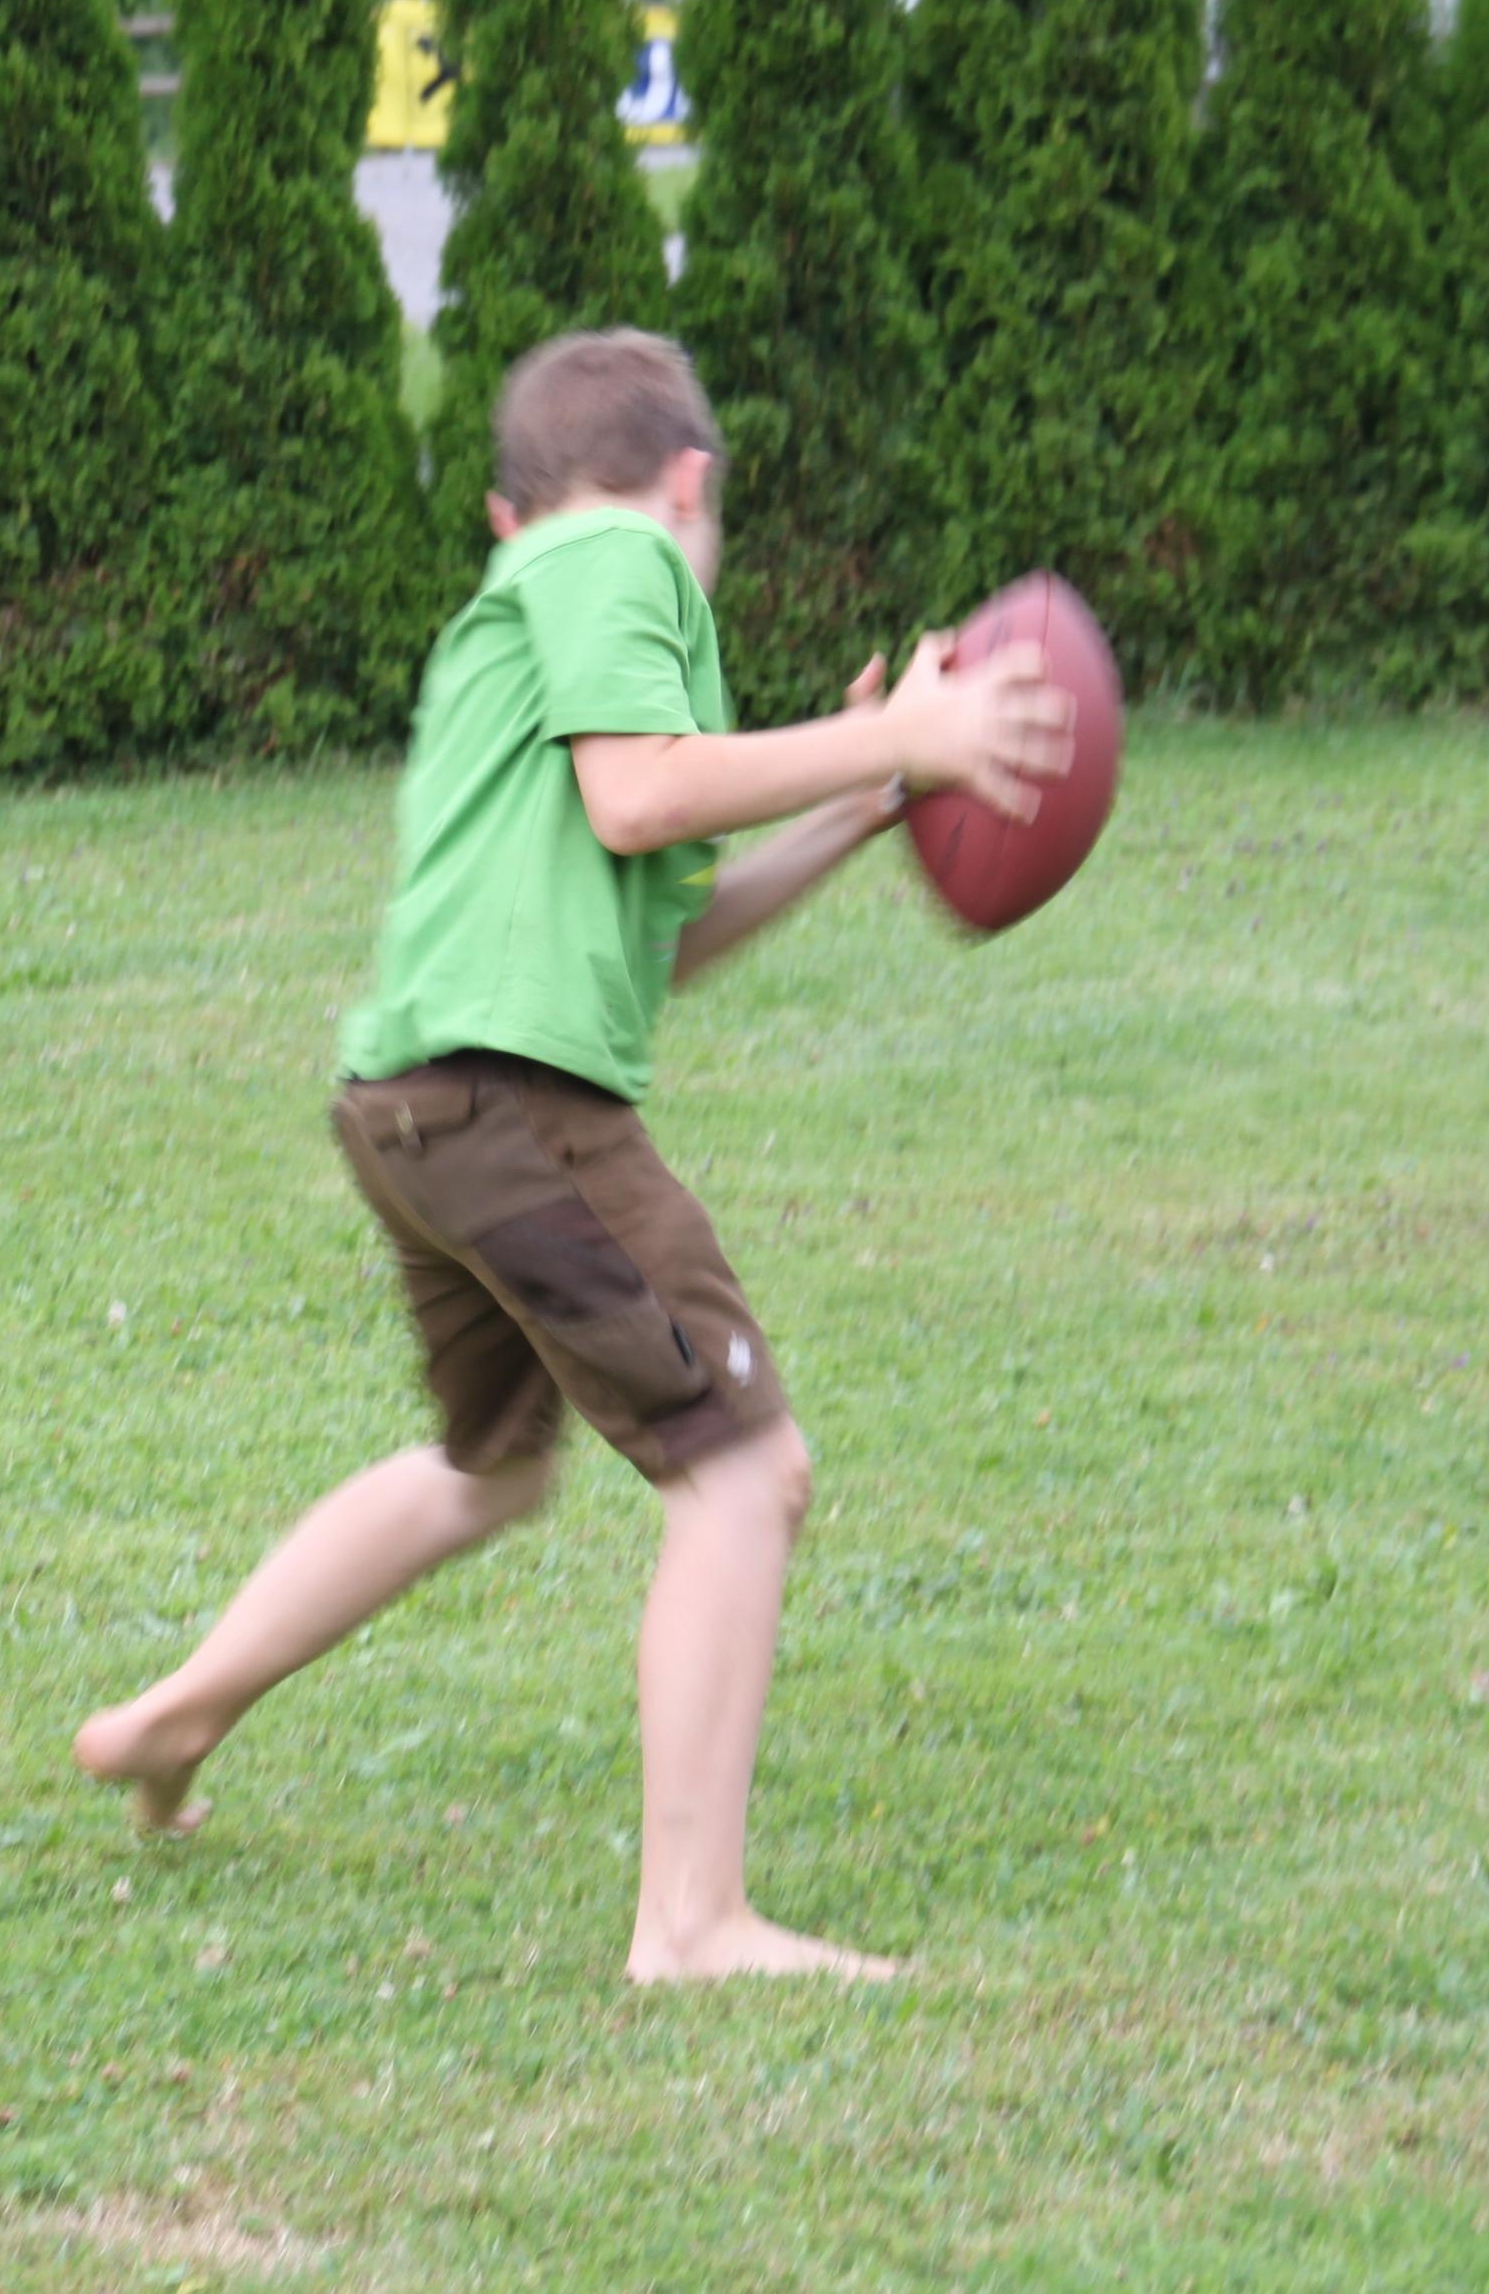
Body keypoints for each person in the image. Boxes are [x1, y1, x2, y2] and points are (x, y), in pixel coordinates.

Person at [72, 327, 1072, 1983]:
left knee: (491, 1467)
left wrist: (860, 801)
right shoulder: (620, 557)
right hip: (512, 1106)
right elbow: (643, 799)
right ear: (690, 485)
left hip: (409, 1103)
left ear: (500, 510)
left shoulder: (513, 623)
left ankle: (176, 1714)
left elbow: (664, 927)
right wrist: (902, 735)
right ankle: (691, 1922)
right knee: (744, 1471)